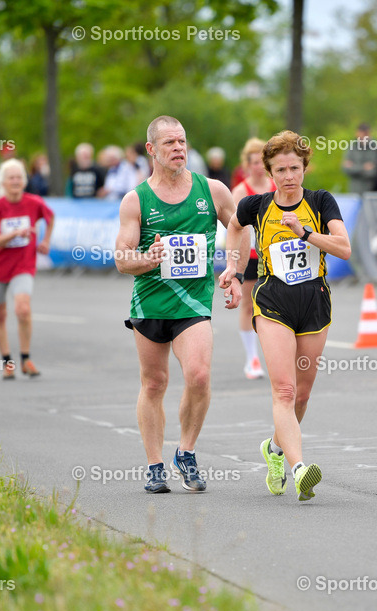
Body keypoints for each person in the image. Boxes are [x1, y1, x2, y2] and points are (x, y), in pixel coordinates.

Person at [219, 130, 352, 502]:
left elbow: (344, 248)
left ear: (305, 168)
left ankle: (274, 451)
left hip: (314, 302)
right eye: (281, 169)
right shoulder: (256, 205)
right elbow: (233, 227)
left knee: (303, 394)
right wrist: (231, 267)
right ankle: (299, 469)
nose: (288, 176)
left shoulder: (322, 202)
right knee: (284, 389)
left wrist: (307, 233)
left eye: (295, 167)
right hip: (272, 301)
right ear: (270, 171)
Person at [114, 115, 239, 495]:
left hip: (194, 302)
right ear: (151, 149)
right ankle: (155, 465)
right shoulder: (136, 199)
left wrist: (235, 268)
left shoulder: (212, 190)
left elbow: (240, 228)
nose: (179, 149)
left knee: (198, 375)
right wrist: (146, 259)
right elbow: (122, 259)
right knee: (155, 383)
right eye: (169, 143)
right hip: (150, 302)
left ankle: (185, 452)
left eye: (182, 141)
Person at [0, 158, 55, 380]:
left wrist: (45, 241)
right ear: (2, 183)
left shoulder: (34, 202)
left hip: (23, 264)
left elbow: (50, 218)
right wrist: (16, 233)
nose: (15, 181)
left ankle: (25, 359)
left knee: (22, 309)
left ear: (24, 181)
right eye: (11, 178)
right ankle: (7, 361)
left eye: (19, 177)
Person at [230, 138, 276, 380]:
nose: (259, 166)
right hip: (250, 257)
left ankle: (277, 356)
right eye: (255, 162)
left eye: (262, 161)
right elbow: (236, 229)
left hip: (275, 255)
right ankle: (252, 359)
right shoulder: (240, 192)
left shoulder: (276, 186)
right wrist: (234, 262)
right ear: (247, 165)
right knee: (249, 306)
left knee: (276, 305)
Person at [341, 123, 377, 194]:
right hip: (354, 192)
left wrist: (354, 168)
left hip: (371, 192)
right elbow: (345, 168)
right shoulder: (351, 148)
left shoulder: (376, 149)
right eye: (361, 134)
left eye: (365, 134)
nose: (363, 137)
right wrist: (363, 167)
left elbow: (374, 171)